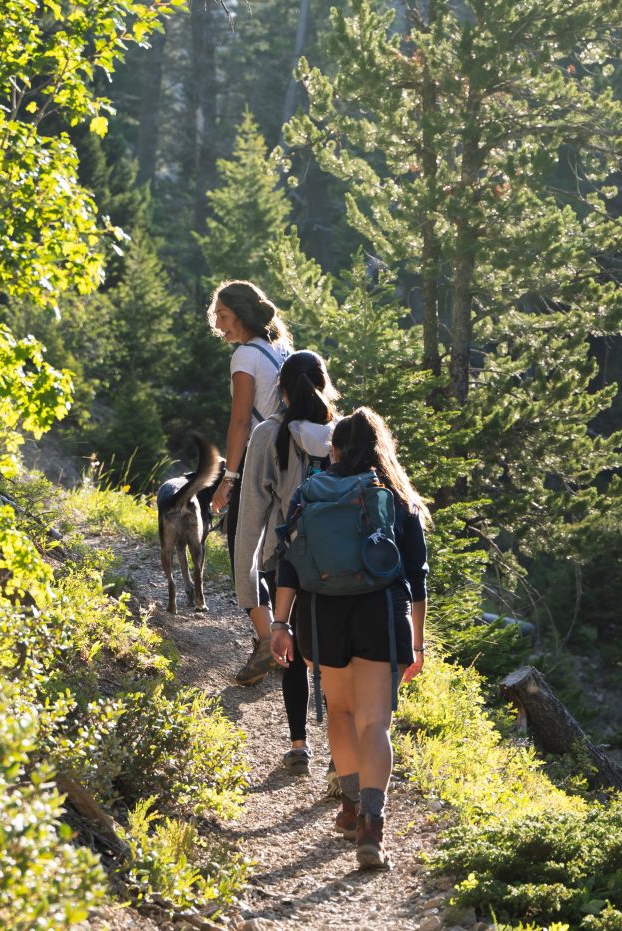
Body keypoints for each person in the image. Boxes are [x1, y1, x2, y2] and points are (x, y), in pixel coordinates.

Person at [269, 407, 430, 870]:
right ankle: (372, 827)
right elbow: (416, 579)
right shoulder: (394, 496)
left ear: (334, 448)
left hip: (322, 614)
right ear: (381, 449)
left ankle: (350, 804)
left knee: (339, 710)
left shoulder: (309, 491)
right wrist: (416, 644)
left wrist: (281, 625)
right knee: (374, 722)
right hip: (379, 612)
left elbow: (289, 563)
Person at [233, 351, 340, 775]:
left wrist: (248, 583)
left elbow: (252, 516)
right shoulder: (341, 433)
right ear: (325, 383)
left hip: (286, 563)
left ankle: (299, 747)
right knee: (334, 654)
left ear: (280, 388)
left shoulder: (268, 434)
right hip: (337, 562)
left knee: (290, 648)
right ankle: (340, 752)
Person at [206, 280, 293, 685]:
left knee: (245, 553)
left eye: (222, 316)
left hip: (257, 464)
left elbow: (240, 421)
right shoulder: (282, 351)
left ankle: (265, 643)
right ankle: (285, 638)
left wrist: (229, 478)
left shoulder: (244, 356)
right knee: (277, 554)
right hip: (290, 464)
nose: (218, 324)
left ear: (240, 315)